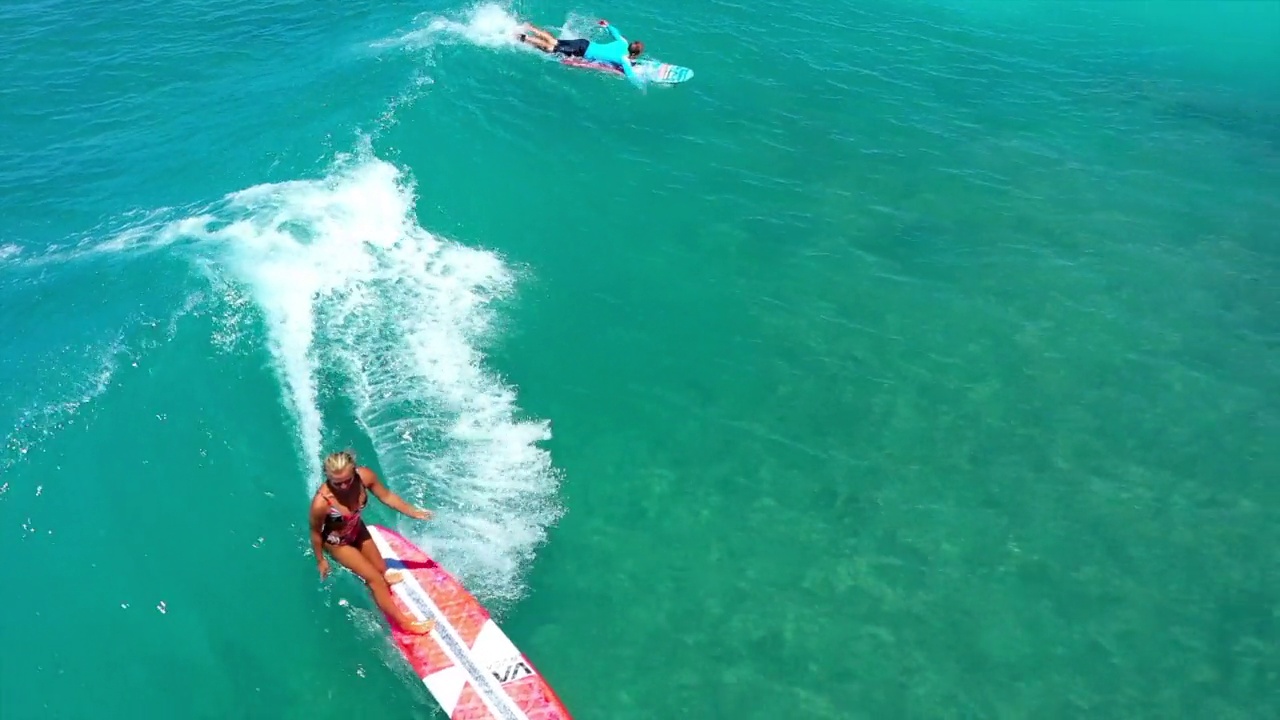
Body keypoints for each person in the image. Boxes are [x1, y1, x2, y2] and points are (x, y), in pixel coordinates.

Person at [308, 450, 435, 635]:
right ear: (328, 477)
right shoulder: (322, 503)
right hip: (337, 543)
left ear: (354, 472)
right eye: (337, 483)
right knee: (375, 579)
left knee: (383, 570)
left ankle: (383, 579)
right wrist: (321, 560)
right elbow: (315, 532)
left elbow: (387, 496)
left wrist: (412, 511)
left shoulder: (364, 477)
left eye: (347, 480)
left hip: (357, 530)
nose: (343, 486)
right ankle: (405, 624)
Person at [518, 19, 645, 86]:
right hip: (582, 50)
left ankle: (529, 26)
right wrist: (642, 85)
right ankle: (525, 38)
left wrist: (607, 25)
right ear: (634, 54)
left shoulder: (623, 42)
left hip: (584, 43)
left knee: (554, 41)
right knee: (551, 48)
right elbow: (631, 76)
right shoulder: (624, 59)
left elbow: (615, 33)